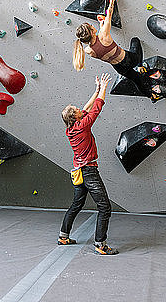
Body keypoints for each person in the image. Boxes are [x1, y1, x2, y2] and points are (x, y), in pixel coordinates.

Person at [59, 73, 118, 255]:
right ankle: (100, 244)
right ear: (76, 117)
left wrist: (97, 89)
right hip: (89, 173)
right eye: (76, 110)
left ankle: (63, 236)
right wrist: (104, 88)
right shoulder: (83, 126)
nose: (80, 109)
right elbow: (97, 107)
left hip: (78, 172)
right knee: (105, 207)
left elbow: (87, 107)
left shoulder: (71, 129)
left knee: (77, 204)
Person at [73, 0, 155, 101]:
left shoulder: (88, 51)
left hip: (119, 68)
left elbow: (99, 44)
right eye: (91, 27)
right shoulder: (103, 34)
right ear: (92, 32)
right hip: (130, 59)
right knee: (135, 41)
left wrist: (101, 25)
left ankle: (151, 96)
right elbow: (109, 12)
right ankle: (140, 66)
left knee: (137, 80)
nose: (93, 26)